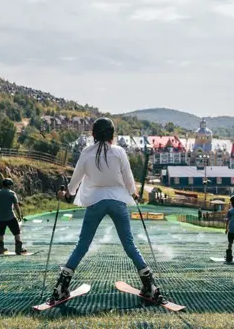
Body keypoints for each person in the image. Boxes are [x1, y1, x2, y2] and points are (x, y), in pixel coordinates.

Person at [50, 117, 163, 304]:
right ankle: (149, 285)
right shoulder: (119, 152)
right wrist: (134, 195)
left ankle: (62, 287)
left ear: (93, 134)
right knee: (129, 244)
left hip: (95, 202)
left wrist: (66, 194)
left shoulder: (86, 153)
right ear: (112, 134)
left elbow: (74, 184)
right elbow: (129, 181)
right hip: (118, 201)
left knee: (83, 245)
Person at [0, 178, 26, 254]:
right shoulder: (12, 193)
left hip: (1, 218)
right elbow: (16, 205)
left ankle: (1, 249)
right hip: (11, 217)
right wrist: (19, 215)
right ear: (10, 185)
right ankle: (18, 249)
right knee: (17, 232)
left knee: (1, 234)